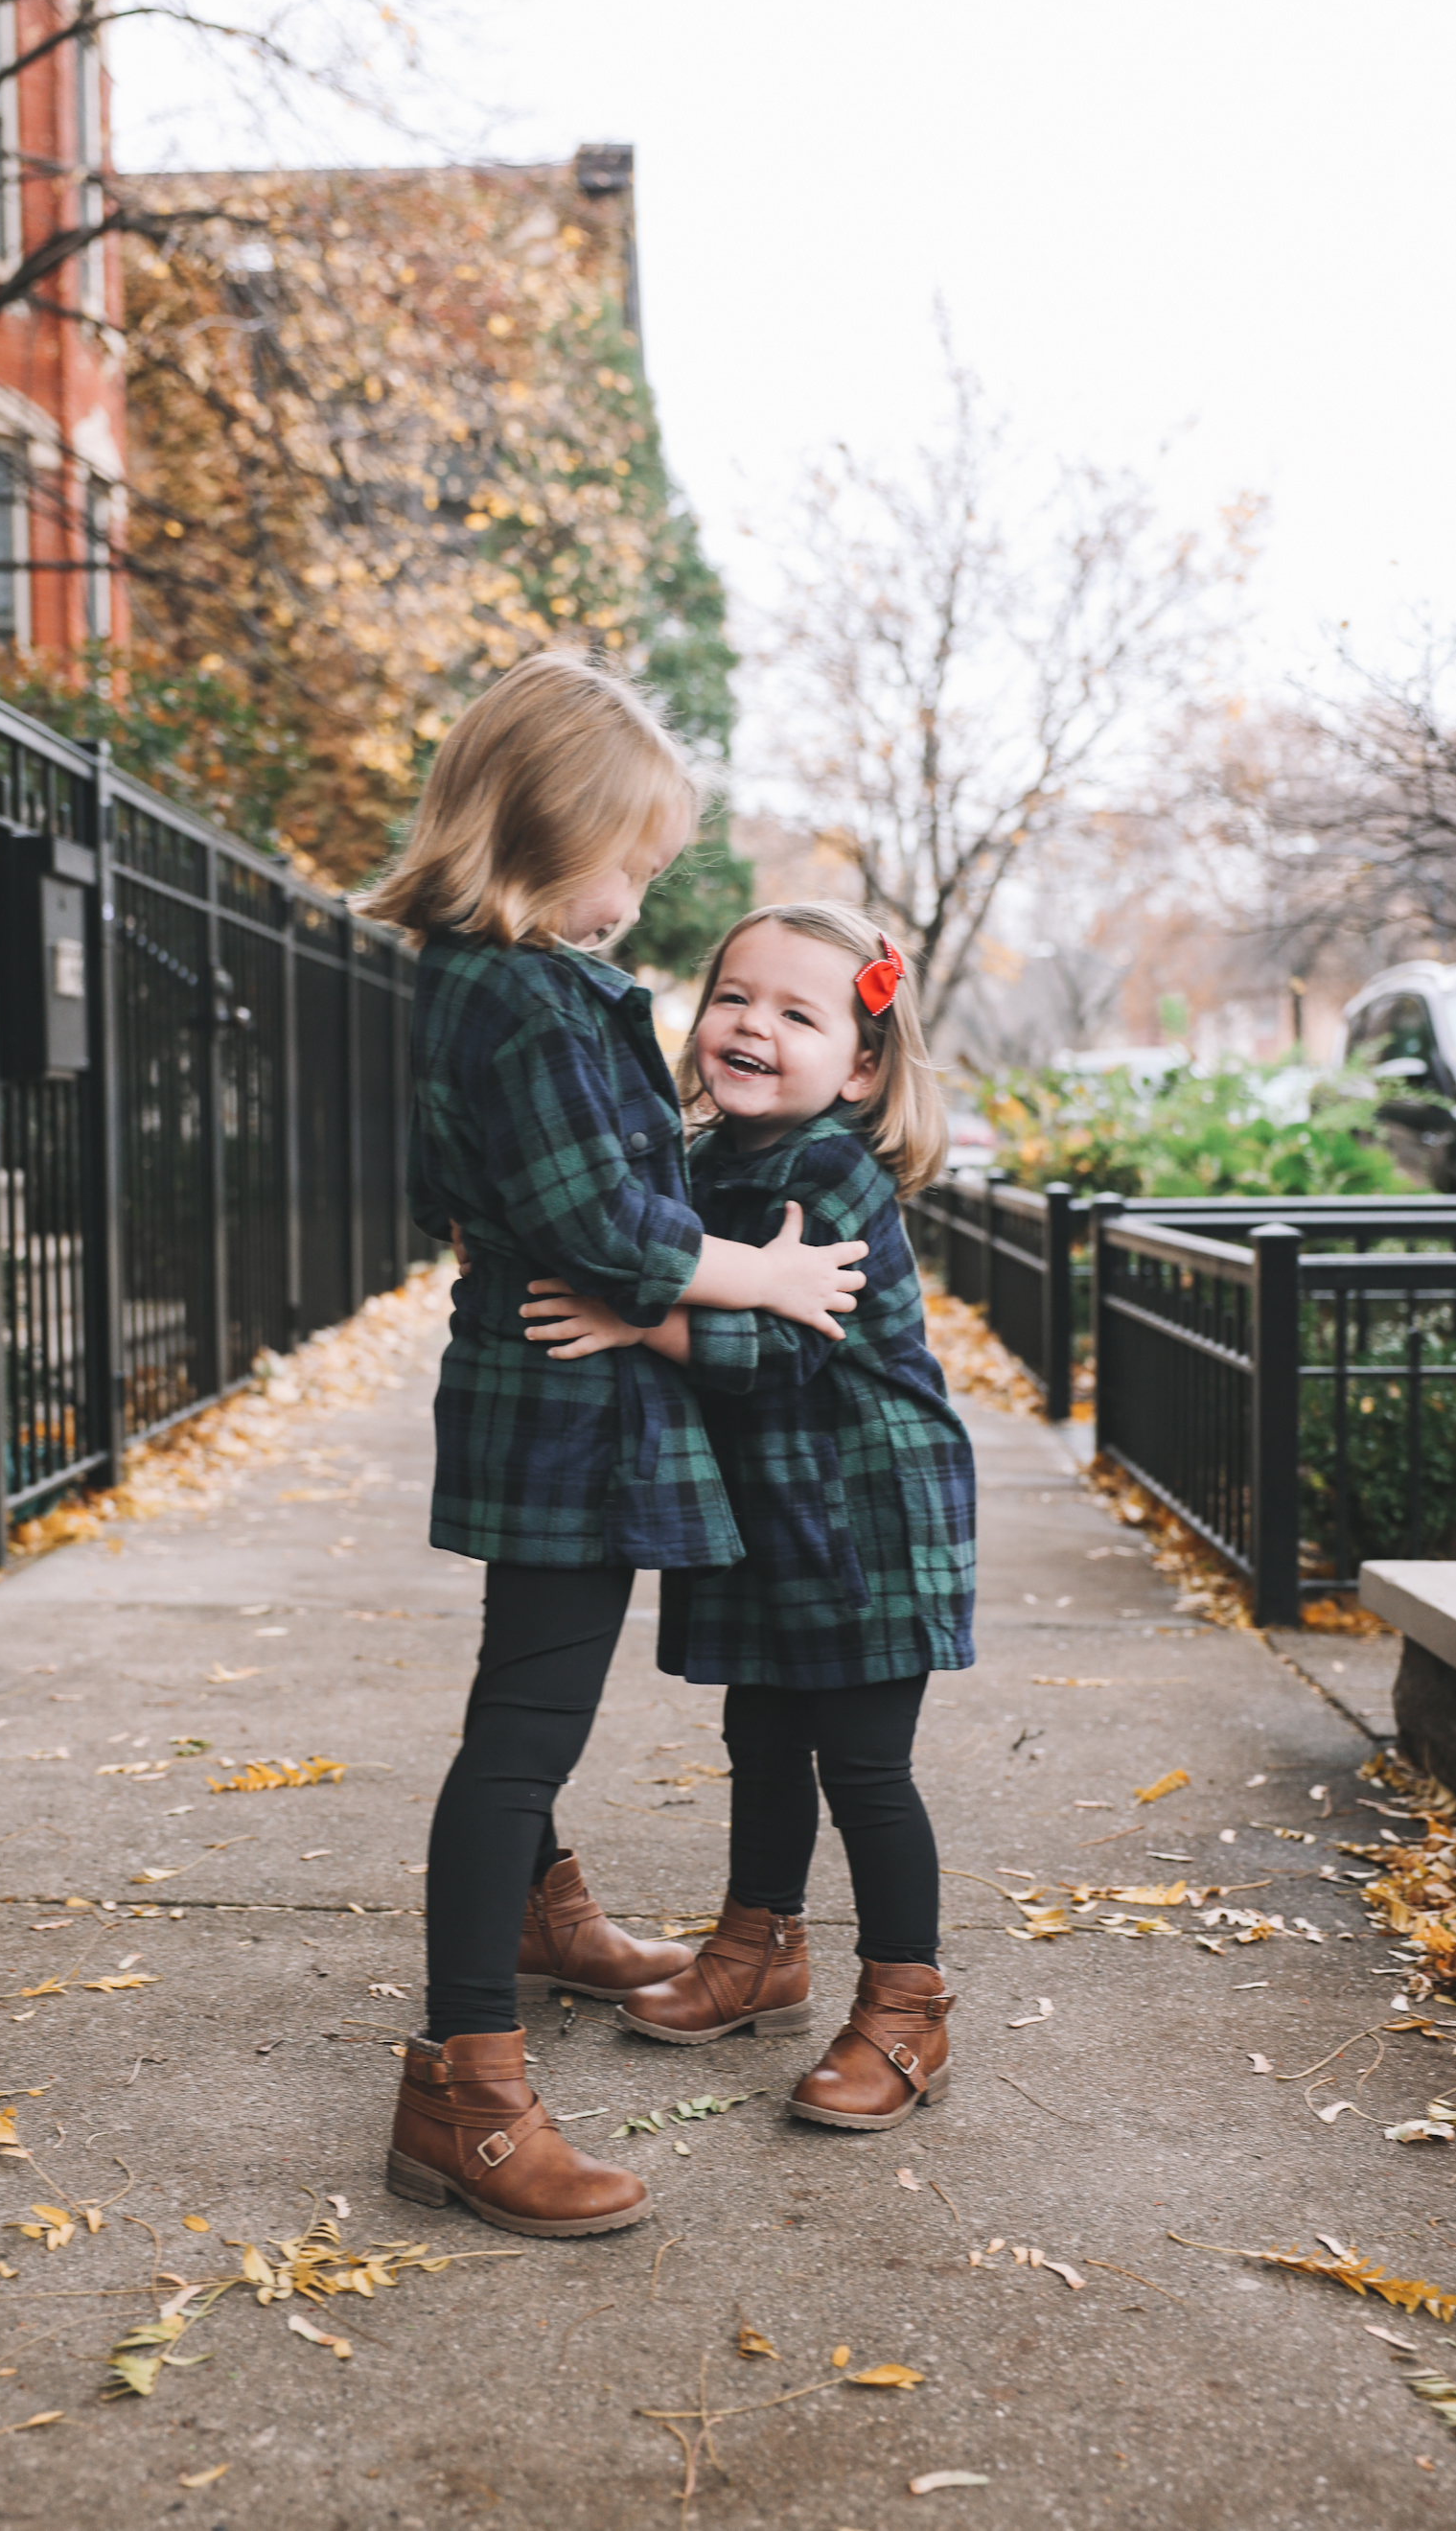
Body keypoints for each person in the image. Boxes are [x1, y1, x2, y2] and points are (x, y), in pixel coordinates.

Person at [364, 659, 869, 2238]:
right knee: (524, 1727)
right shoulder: (523, 997)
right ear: (546, 828)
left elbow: (470, 1196)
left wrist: (555, 1256)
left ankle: (531, 1911)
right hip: (562, 1421)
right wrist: (767, 1275)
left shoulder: (477, 981)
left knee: (530, 1704)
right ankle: (467, 2089)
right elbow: (608, 1218)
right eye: (630, 861)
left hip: (552, 1397)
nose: (634, 894)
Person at [522, 903, 976, 2133]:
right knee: (764, 1739)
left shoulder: (829, 1168)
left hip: (870, 1510)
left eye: (797, 1012)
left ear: (863, 1063)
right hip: (772, 1509)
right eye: (735, 997)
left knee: (866, 1770)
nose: (753, 1026)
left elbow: (783, 1344)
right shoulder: (705, 1154)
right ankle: (758, 1948)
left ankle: (905, 2004)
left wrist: (638, 1318)